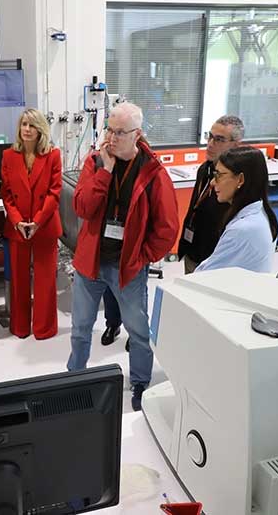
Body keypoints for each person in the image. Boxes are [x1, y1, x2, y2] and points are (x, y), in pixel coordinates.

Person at [67, 102, 179, 411]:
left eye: (120, 133)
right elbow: (82, 208)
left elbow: (167, 228)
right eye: (109, 130)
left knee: (138, 331)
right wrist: (105, 172)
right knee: (80, 328)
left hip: (127, 268)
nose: (111, 138)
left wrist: (142, 257)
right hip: (90, 263)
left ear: (137, 134)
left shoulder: (153, 173)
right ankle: (74, 378)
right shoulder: (95, 162)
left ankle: (140, 382)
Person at [1, 108, 62, 339]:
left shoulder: (53, 155)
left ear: (41, 129)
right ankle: (20, 326)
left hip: (44, 225)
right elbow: (6, 193)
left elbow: (54, 193)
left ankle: (44, 328)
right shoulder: (8, 155)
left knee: (46, 280)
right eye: (24, 124)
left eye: (32, 125)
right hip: (18, 227)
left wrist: (36, 222)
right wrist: (17, 221)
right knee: (18, 280)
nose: (27, 129)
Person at [177, 115, 245, 273]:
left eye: (219, 140)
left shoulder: (237, 180)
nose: (210, 144)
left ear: (236, 145)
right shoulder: (205, 168)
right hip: (193, 247)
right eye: (210, 136)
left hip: (215, 258)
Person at [194, 147, 278, 273]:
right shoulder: (260, 212)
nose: (212, 182)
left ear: (240, 179)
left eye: (219, 175)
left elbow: (208, 275)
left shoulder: (243, 229)